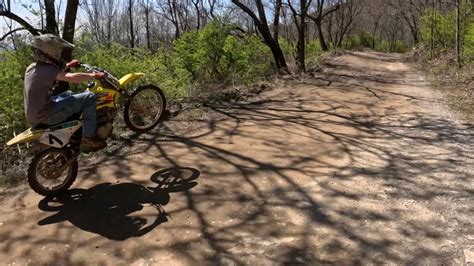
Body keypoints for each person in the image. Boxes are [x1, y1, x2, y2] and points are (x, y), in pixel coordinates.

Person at [23, 34, 107, 152]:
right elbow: (73, 78)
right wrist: (94, 75)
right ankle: (88, 139)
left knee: (68, 93)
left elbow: (53, 73)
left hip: (34, 114)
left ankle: (75, 130)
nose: (59, 52)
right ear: (51, 51)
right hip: (46, 116)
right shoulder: (49, 70)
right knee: (90, 97)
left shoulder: (32, 67)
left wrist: (68, 65)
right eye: (58, 49)